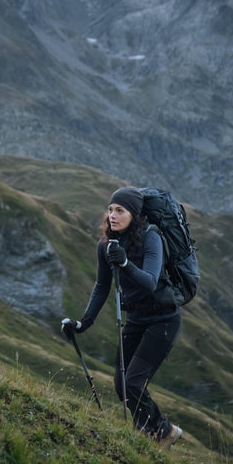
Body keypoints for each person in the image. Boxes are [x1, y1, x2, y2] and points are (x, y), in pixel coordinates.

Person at [62, 186, 183, 447]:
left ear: (135, 215)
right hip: (137, 319)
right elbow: (102, 286)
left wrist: (126, 263)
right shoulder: (106, 244)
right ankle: (158, 433)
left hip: (163, 320)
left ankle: (158, 434)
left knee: (134, 382)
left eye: (120, 210)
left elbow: (150, 281)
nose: (112, 215)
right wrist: (84, 323)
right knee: (122, 386)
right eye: (110, 210)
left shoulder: (152, 238)